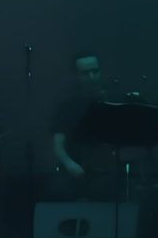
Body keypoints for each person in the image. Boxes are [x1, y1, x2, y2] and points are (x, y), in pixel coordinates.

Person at [49, 51, 115, 194]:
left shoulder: (111, 100)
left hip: (104, 171)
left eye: (95, 71)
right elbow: (58, 145)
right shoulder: (66, 106)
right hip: (74, 168)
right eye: (85, 73)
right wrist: (69, 164)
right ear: (76, 75)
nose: (91, 77)